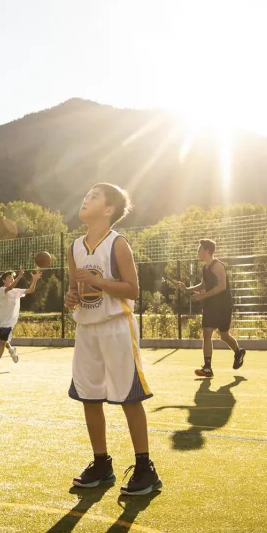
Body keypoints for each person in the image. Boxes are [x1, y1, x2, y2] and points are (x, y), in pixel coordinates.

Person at [66, 183, 161, 496]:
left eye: (93, 196)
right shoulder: (75, 247)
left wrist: (97, 281)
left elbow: (133, 290)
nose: (86, 198)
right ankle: (101, 463)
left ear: (108, 210)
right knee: (89, 396)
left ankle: (145, 467)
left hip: (116, 327)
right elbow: (77, 292)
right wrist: (71, 298)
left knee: (128, 396)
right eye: (85, 195)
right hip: (87, 328)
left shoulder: (118, 244)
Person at [175, 239, 245, 377]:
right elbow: (203, 285)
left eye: (200, 248)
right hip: (211, 304)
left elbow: (222, 286)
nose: (197, 251)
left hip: (223, 305)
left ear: (207, 251)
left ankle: (238, 352)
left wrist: (202, 296)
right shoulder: (205, 268)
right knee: (207, 332)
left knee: (224, 335)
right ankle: (207, 367)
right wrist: (187, 289)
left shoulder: (218, 266)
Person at [0, 267, 42, 373]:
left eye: (12, 277)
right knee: (5, 342)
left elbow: (30, 290)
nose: (12, 279)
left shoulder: (16, 291)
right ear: (4, 280)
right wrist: (19, 276)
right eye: (9, 277)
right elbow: (10, 288)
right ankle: (11, 350)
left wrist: (35, 279)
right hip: (0, 321)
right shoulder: (2, 290)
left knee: (2, 342)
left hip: (9, 323)